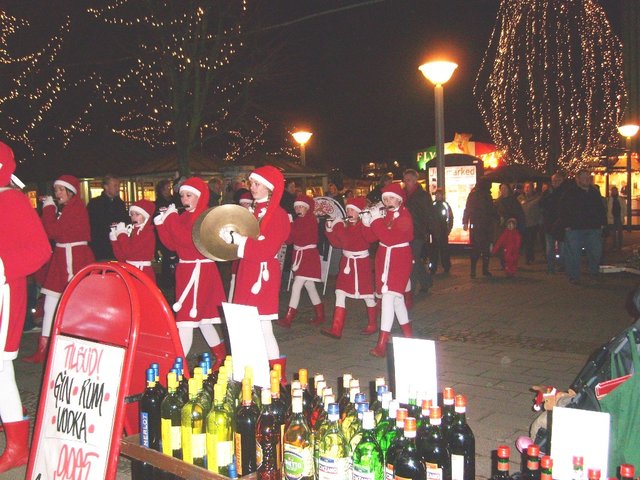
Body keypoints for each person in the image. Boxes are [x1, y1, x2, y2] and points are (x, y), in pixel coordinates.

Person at [0, 143, 51, 472]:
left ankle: (18, 446)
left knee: (1, 369)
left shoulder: (13, 200)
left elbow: (40, 250)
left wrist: (4, 266)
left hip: (5, 294)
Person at [218, 165, 291, 378]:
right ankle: (248, 374)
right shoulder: (250, 212)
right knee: (245, 324)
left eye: (257, 183)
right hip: (247, 271)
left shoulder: (278, 215)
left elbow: (267, 249)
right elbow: (241, 246)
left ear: (269, 187)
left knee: (263, 325)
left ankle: (278, 378)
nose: (252, 187)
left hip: (263, 274)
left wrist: (239, 240)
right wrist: (227, 237)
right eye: (252, 183)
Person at [154, 177, 227, 366]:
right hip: (187, 270)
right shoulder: (185, 216)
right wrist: (162, 225)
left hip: (200, 271)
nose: (184, 200)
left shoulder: (204, 217)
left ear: (199, 196)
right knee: (202, 320)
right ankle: (221, 356)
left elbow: (188, 239)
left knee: (185, 321)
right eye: (182, 196)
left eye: (189, 195)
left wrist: (170, 219)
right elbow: (173, 244)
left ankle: (176, 367)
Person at [24, 175, 95, 364]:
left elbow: (54, 232)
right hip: (63, 258)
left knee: (76, 304)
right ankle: (44, 350)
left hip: (73, 259)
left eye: (61, 190)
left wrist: (48, 208)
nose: (57, 194)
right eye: (56, 191)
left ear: (71, 191)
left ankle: (80, 347)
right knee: (50, 305)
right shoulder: (67, 209)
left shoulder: (76, 208)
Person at [361, 183, 414, 357]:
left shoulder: (404, 215)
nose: (387, 201)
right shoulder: (386, 215)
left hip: (399, 259)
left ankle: (382, 344)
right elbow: (371, 238)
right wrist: (367, 222)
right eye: (385, 198)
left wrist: (376, 221)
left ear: (399, 199)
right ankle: (408, 336)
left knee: (388, 298)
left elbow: (390, 238)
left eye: (391, 198)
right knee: (396, 300)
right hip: (384, 258)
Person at [322, 196, 377, 338]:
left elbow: (350, 240)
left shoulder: (363, 225)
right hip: (347, 263)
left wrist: (338, 226)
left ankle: (372, 324)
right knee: (340, 293)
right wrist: (329, 230)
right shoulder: (346, 226)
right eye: (348, 209)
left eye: (352, 209)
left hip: (361, 264)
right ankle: (336, 328)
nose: (349, 212)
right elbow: (338, 244)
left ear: (359, 212)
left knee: (367, 296)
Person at [278, 194, 324, 328]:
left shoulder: (310, 220)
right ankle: (320, 314)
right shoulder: (298, 221)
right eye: (296, 206)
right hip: (300, 256)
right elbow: (289, 240)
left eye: (301, 207)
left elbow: (301, 236)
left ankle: (289, 317)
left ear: (306, 208)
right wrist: (287, 226)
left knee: (297, 285)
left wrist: (290, 224)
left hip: (308, 256)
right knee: (310, 287)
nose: (298, 209)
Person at [558, 170, 607, 284]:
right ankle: (574, 276)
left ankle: (593, 273)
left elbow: (601, 209)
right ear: (578, 179)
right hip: (575, 228)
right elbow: (562, 209)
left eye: (588, 177)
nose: (586, 179)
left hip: (593, 227)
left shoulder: (594, 192)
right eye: (584, 177)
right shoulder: (570, 192)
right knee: (574, 254)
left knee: (595, 252)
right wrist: (567, 225)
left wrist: (603, 224)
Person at [110, 199, 157, 282]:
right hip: (130, 271)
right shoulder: (132, 231)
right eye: (131, 214)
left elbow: (129, 251)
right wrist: (115, 239)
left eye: (137, 214)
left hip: (142, 272)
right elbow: (121, 257)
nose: (133, 217)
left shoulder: (148, 233)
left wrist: (121, 234)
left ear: (146, 216)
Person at [403, 169, 433, 296]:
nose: (406, 183)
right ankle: (426, 282)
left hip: (417, 232)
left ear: (415, 181)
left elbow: (428, 215)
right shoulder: (404, 194)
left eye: (408, 180)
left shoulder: (422, 195)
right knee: (414, 259)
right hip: (406, 232)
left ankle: (411, 288)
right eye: (405, 180)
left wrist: (427, 231)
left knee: (413, 260)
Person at [87, 174, 129, 260]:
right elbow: (92, 225)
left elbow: (125, 220)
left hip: (118, 245)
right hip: (101, 246)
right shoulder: (95, 203)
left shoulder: (120, 203)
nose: (118, 188)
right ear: (106, 187)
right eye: (115, 186)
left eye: (118, 185)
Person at [462, 179, 498, 278]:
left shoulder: (473, 195)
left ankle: (473, 270)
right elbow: (492, 210)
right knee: (485, 248)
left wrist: (465, 222)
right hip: (485, 225)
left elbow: (467, 209)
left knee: (476, 248)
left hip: (476, 225)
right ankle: (484, 270)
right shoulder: (487, 196)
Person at [539, 172, 567, 274]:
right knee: (550, 247)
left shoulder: (565, 192)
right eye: (554, 181)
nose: (555, 183)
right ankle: (551, 267)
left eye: (558, 180)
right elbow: (541, 203)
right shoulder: (548, 192)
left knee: (562, 247)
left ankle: (562, 265)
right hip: (549, 223)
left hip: (560, 223)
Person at [155, 179, 178, 289]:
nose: (169, 190)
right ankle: (166, 281)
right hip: (164, 234)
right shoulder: (159, 203)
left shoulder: (173, 201)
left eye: (170, 188)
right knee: (166, 259)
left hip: (173, 233)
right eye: (167, 188)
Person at [430, 188, 454, 274]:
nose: (437, 196)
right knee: (434, 251)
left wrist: (448, 228)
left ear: (442, 195)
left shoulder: (445, 205)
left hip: (443, 230)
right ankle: (433, 267)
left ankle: (446, 266)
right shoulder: (432, 205)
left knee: (444, 250)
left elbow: (450, 217)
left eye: (439, 194)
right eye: (436, 195)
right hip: (434, 231)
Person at [519, 182, 542, 265]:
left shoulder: (537, 198)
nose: (527, 189)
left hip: (533, 223)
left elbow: (539, 210)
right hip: (523, 223)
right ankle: (528, 257)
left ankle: (530, 256)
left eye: (529, 187)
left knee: (531, 241)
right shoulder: (520, 198)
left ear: (532, 189)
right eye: (526, 187)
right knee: (526, 241)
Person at [607, 185, 626, 251]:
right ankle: (614, 245)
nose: (614, 192)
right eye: (613, 191)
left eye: (615, 191)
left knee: (620, 233)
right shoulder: (609, 199)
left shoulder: (621, 199)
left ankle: (619, 245)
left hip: (618, 217)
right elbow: (608, 209)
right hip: (612, 218)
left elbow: (624, 208)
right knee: (613, 233)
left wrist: (623, 215)